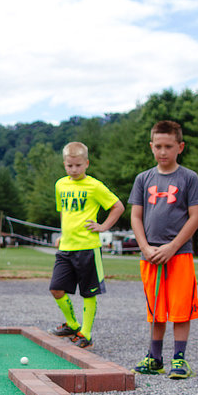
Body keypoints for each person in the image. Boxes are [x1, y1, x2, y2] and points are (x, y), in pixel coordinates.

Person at [129, 121, 198, 379]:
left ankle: (179, 359)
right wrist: (144, 247)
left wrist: (172, 247)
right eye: (158, 146)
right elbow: (136, 216)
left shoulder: (189, 178)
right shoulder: (143, 179)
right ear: (151, 146)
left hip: (179, 254)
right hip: (150, 255)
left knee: (181, 308)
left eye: (168, 146)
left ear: (180, 147)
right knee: (156, 308)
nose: (163, 151)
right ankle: (154, 358)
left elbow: (195, 217)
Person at [48, 142, 125, 349]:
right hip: (66, 247)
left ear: (87, 164)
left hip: (88, 247)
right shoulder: (60, 185)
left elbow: (118, 206)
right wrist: (62, 234)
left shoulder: (95, 186)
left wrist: (103, 226)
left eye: (78, 165)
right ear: (64, 164)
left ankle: (86, 334)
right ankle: (72, 325)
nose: (74, 170)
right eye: (69, 166)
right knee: (56, 288)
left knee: (88, 292)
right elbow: (64, 212)